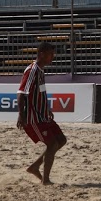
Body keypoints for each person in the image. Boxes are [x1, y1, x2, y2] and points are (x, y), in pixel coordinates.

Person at [18, 41, 67, 185]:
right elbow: (21, 93)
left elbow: (41, 92)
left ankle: (35, 167)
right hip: (34, 117)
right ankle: (45, 180)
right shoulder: (32, 70)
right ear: (41, 54)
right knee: (52, 144)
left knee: (61, 140)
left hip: (43, 115)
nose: (53, 57)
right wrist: (21, 115)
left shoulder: (40, 70)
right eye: (50, 54)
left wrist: (47, 108)